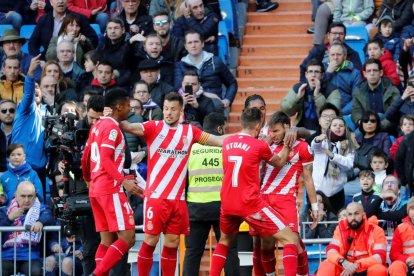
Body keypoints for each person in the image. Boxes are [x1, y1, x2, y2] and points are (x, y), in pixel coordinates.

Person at [120, 92, 229, 276]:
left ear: (181, 111)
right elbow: (129, 126)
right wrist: (110, 117)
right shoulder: (153, 127)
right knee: (150, 240)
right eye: (166, 108)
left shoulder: (190, 132)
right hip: (156, 197)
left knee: (172, 243)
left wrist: (245, 138)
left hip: (177, 200)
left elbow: (217, 141)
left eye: (173, 109)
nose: (168, 113)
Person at [209, 107, 301, 276]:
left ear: (241, 123)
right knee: (291, 239)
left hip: (228, 202)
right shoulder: (259, 145)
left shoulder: (228, 142)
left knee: (224, 241)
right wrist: (288, 142)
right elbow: (280, 162)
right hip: (249, 203)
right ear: (258, 126)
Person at [81, 88, 143, 275]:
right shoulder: (111, 127)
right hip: (110, 188)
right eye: (127, 106)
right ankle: (96, 274)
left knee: (106, 241)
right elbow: (107, 159)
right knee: (128, 237)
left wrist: (88, 180)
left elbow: (85, 158)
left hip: (96, 190)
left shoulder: (96, 126)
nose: (129, 110)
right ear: (119, 106)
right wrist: (123, 181)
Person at [252, 111, 318, 276]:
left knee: (293, 243)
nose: (272, 135)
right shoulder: (265, 144)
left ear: (287, 128)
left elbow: (308, 179)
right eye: (270, 131)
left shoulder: (303, 147)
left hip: (286, 199)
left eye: (276, 131)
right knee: (266, 245)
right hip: (264, 198)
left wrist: (315, 207)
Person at [183, 112, 239, 276]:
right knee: (229, 250)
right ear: (220, 128)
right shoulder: (227, 148)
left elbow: (185, 180)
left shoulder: (191, 149)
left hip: (195, 209)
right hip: (223, 208)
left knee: (193, 253)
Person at [11, 55, 48, 200]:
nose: (35, 90)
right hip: (23, 167)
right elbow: (28, 94)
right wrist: (31, 74)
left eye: (38, 87)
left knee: (40, 209)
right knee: (21, 207)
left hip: (39, 168)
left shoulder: (44, 113)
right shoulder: (25, 109)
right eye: (34, 87)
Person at [316, 202, 387, 276]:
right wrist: (343, 262)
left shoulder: (376, 230)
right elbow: (331, 251)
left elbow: (380, 257)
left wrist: (357, 264)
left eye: (356, 214)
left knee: (378, 269)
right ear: (347, 216)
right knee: (326, 265)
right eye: (350, 214)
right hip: (345, 267)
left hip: (366, 268)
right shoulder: (340, 229)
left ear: (363, 215)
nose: (353, 218)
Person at [0, 181, 55, 276]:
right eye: (23, 196)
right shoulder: (4, 211)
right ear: (15, 195)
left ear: (35, 196)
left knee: (36, 272)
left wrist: (40, 221)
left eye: (30, 196)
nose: (26, 200)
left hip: (31, 257)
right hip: (6, 257)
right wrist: (9, 218)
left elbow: (48, 215)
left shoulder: (41, 209)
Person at [175, 30, 238, 109]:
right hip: (190, 109)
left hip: (214, 107)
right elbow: (179, 87)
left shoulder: (216, 62)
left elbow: (232, 82)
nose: (193, 45)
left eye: (196, 41)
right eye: (190, 43)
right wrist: (204, 93)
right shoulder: (180, 65)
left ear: (202, 44)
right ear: (185, 46)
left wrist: (227, 100)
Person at [281, 59, 341, 131]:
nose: (313, 75)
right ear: (306, 75)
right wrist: (297, 98)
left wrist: (317, 95)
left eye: (316, 72)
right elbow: (286, 110)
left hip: (324, 131)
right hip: (302, 129)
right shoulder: (299, 88)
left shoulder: (332, 90)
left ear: (322, 75)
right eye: (310, 71)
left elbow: (331, 115)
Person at [311, 116, 356, 212]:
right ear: (330, 127)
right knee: (316, 217)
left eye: (341, 125)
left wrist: (332, 155)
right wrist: (317, 139)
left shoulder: (348, 144)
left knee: (335, 220)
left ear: (345, 129)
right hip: (317, 189)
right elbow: (315, 146)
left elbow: (349, 164)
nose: (338, 127)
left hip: (337, 190)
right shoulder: (322, 141)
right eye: (334, 125)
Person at [28, 0, 98, 59]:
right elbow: (32, 44)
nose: (61, 1)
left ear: (67, 1)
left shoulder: (79, 18)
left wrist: (82, 42)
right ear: (51, 2)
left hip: (75, 60)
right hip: (50, 60)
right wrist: (38, 59)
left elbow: (94, 40)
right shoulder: (44, 19)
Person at [351, 58, 400, 132]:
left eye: (375, 70)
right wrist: (361, 122)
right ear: (364, 74)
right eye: (369, 71)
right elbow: (356, 112)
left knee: (379, 115)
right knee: (353, 133)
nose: (372, 73)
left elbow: (394, 115)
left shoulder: (391, 90)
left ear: (381, 73)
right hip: (367, 126)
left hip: (386, 127)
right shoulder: (358, 91)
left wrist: (376, 127)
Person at [323, 42, 362, 116]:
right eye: (332, 55)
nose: (335, 57)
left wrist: (341, 113)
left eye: (339, 54)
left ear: (345, 56)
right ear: (328, 56)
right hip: (325, 113)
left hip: (347, 114)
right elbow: (318, 92)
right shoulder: (322, 71)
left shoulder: (355, 73)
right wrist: (328, 73)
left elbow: (356, 99)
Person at [389, 197, 414, 275]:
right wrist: (407, 259)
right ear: (408, 211)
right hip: (407, 264)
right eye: (412, 208)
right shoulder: (400, 228)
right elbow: (394, 254)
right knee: (396, 266)